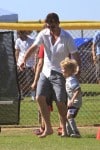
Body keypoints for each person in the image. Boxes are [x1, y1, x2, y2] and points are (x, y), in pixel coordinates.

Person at [19, 12, 81, 138]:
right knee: (39, 97)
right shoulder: (43, 34)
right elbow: (33, 47)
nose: (51, 28)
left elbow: (75, 54)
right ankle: (48, 128)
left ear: (58, 23)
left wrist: (77, 69)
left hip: (60, 72)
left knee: (60, 102)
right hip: (46, 72)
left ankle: (65, 127)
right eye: (48, 26)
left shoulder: (67, 37)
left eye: (53, 26)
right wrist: (24, 60)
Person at [32, 44, 53, 135]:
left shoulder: (43, 45)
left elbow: (40, 63)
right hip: (60, 75)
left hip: (46, 77)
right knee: (61, 101)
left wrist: (35, 81)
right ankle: (62, 127)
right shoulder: (61, 42)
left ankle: (43, 127)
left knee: (43, 103)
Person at [60, 57, 82, 138]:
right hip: (73, 101)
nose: (62, 70)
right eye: (62, 68)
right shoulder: (69, 79)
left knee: (69, 116)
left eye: (64, 69)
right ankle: (68, 132)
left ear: (69, 70)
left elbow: (77, 90)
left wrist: (72, 100)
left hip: (75, 102)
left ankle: (76, 133)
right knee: (68, 116)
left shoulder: (71, 80)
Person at [15, 30, 37, 100]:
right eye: (18, 33)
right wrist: (17, 62)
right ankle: (20, 95)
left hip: (30, 63)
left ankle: (33, 95)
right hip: (20, 63)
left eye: (21, 32)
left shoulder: (31, 40)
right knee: (20, 80)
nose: (19, 34)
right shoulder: (18, 41)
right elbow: (17, 52)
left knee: (31, 80)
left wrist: (34, 63)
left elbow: (35, 52)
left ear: (25, 32)